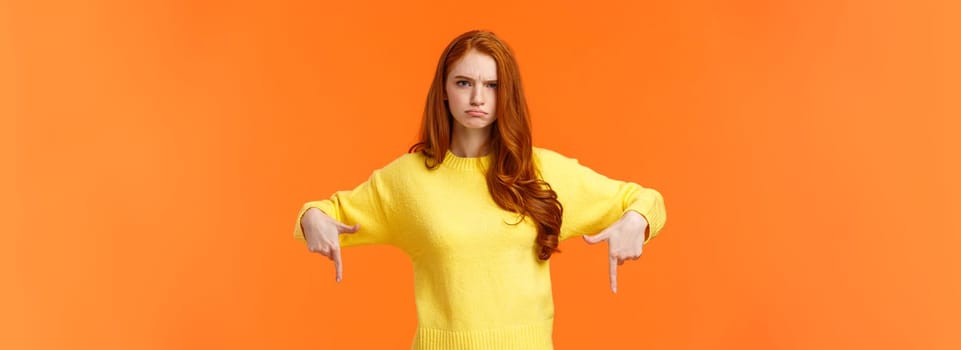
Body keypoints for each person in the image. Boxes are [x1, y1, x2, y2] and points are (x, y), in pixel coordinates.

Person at [293, 30, 667, 349]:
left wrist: (636, 221)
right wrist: (313, 219)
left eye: (492, 85)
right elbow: (324, 211)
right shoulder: (407, 179)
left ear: (507, 94)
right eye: (463, 83)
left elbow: (645, 200)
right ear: (443, 90)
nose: (477, 98)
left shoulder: (542, 171)